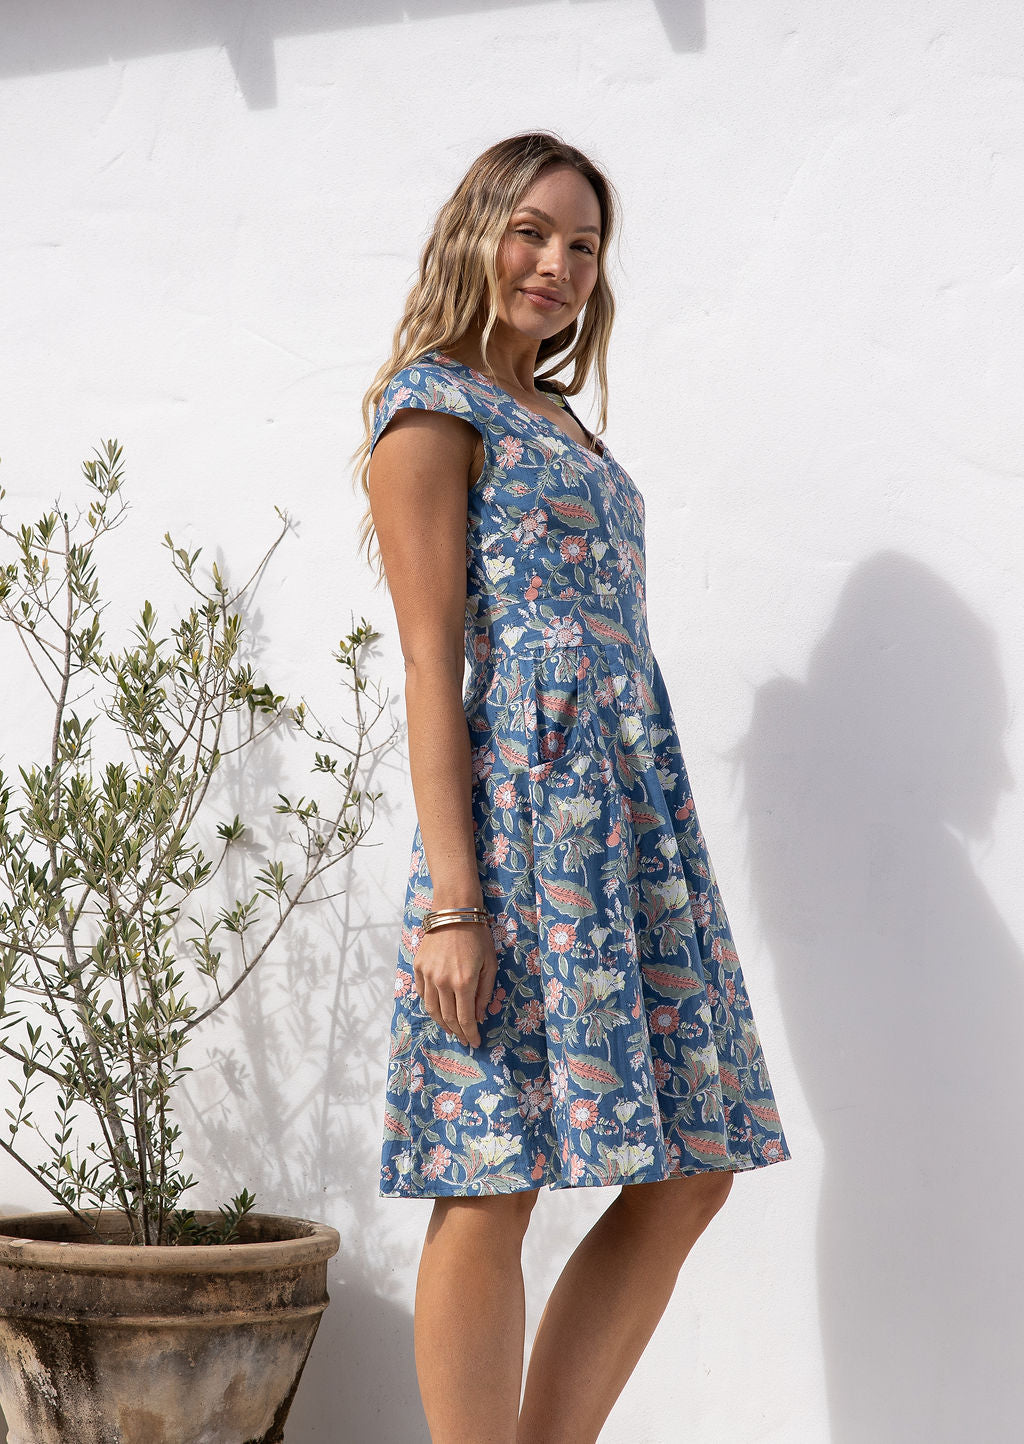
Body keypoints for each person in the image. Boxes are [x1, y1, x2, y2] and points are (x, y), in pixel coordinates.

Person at [355, 131, 791, 1444]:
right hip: (525, 820)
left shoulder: (563, 422)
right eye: (532, 230)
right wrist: (453, 902)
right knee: (493, 1175)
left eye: (583, 245)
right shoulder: (431, 409)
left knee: (693, 1168)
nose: (555, 263)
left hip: (631, 819)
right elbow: (434, 662)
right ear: (477, 229)